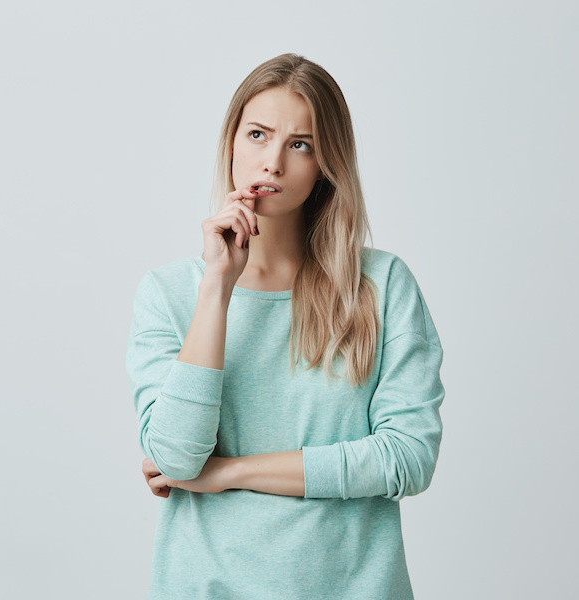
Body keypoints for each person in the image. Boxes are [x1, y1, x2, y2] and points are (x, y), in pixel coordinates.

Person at [124, 53, 444, 599]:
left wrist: (227, 474)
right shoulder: (171, 294)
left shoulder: (381, 286)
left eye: (301, 144)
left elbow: (406, 459)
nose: (271, 162)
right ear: (230, 143)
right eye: (256, 135)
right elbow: (176, 457)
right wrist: (217, 289)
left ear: (326, 164)